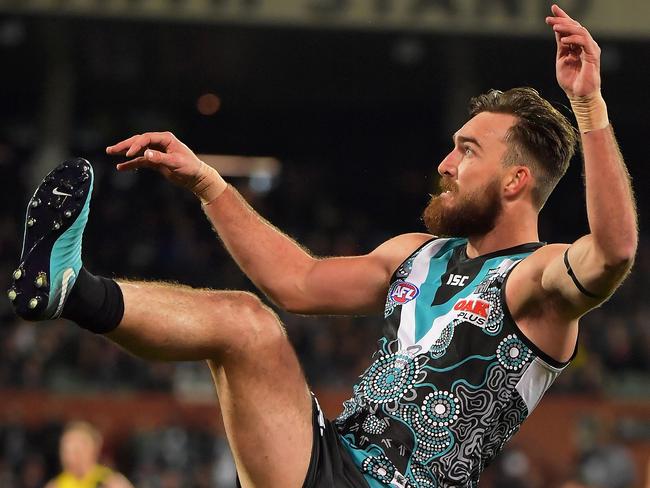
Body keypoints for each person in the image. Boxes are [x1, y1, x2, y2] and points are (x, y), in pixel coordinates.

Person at [8, 4, 637, 487]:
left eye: (467, 151)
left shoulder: (535, 282)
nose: (445, 163)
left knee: (248, 326)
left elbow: (611, 253)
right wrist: (207, 184)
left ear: (516, 180)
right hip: (331, 455)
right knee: (245, 323)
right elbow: (298, 283)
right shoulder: (416, 255)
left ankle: (75, 290)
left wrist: (588, 107)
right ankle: (70, 290)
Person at [45, 421, 133, 488]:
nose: (70, 457)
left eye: (76, 451)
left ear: (93, 449)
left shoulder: (111, 482)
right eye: (66, 451)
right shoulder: (56, 485)